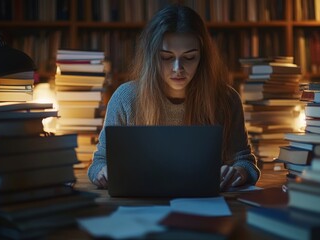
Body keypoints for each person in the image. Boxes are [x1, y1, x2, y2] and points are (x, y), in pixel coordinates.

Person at [88, 4, 260, 190]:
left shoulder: (226, 99)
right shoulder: (125, 98)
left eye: (189, 57)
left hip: (206, 203)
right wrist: (102, 172)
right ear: (152, 57)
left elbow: (246, 163)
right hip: (139, 203)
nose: (178, 68)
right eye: (166, 57)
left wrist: (239, 172)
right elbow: (99, 162)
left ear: (202, 57)